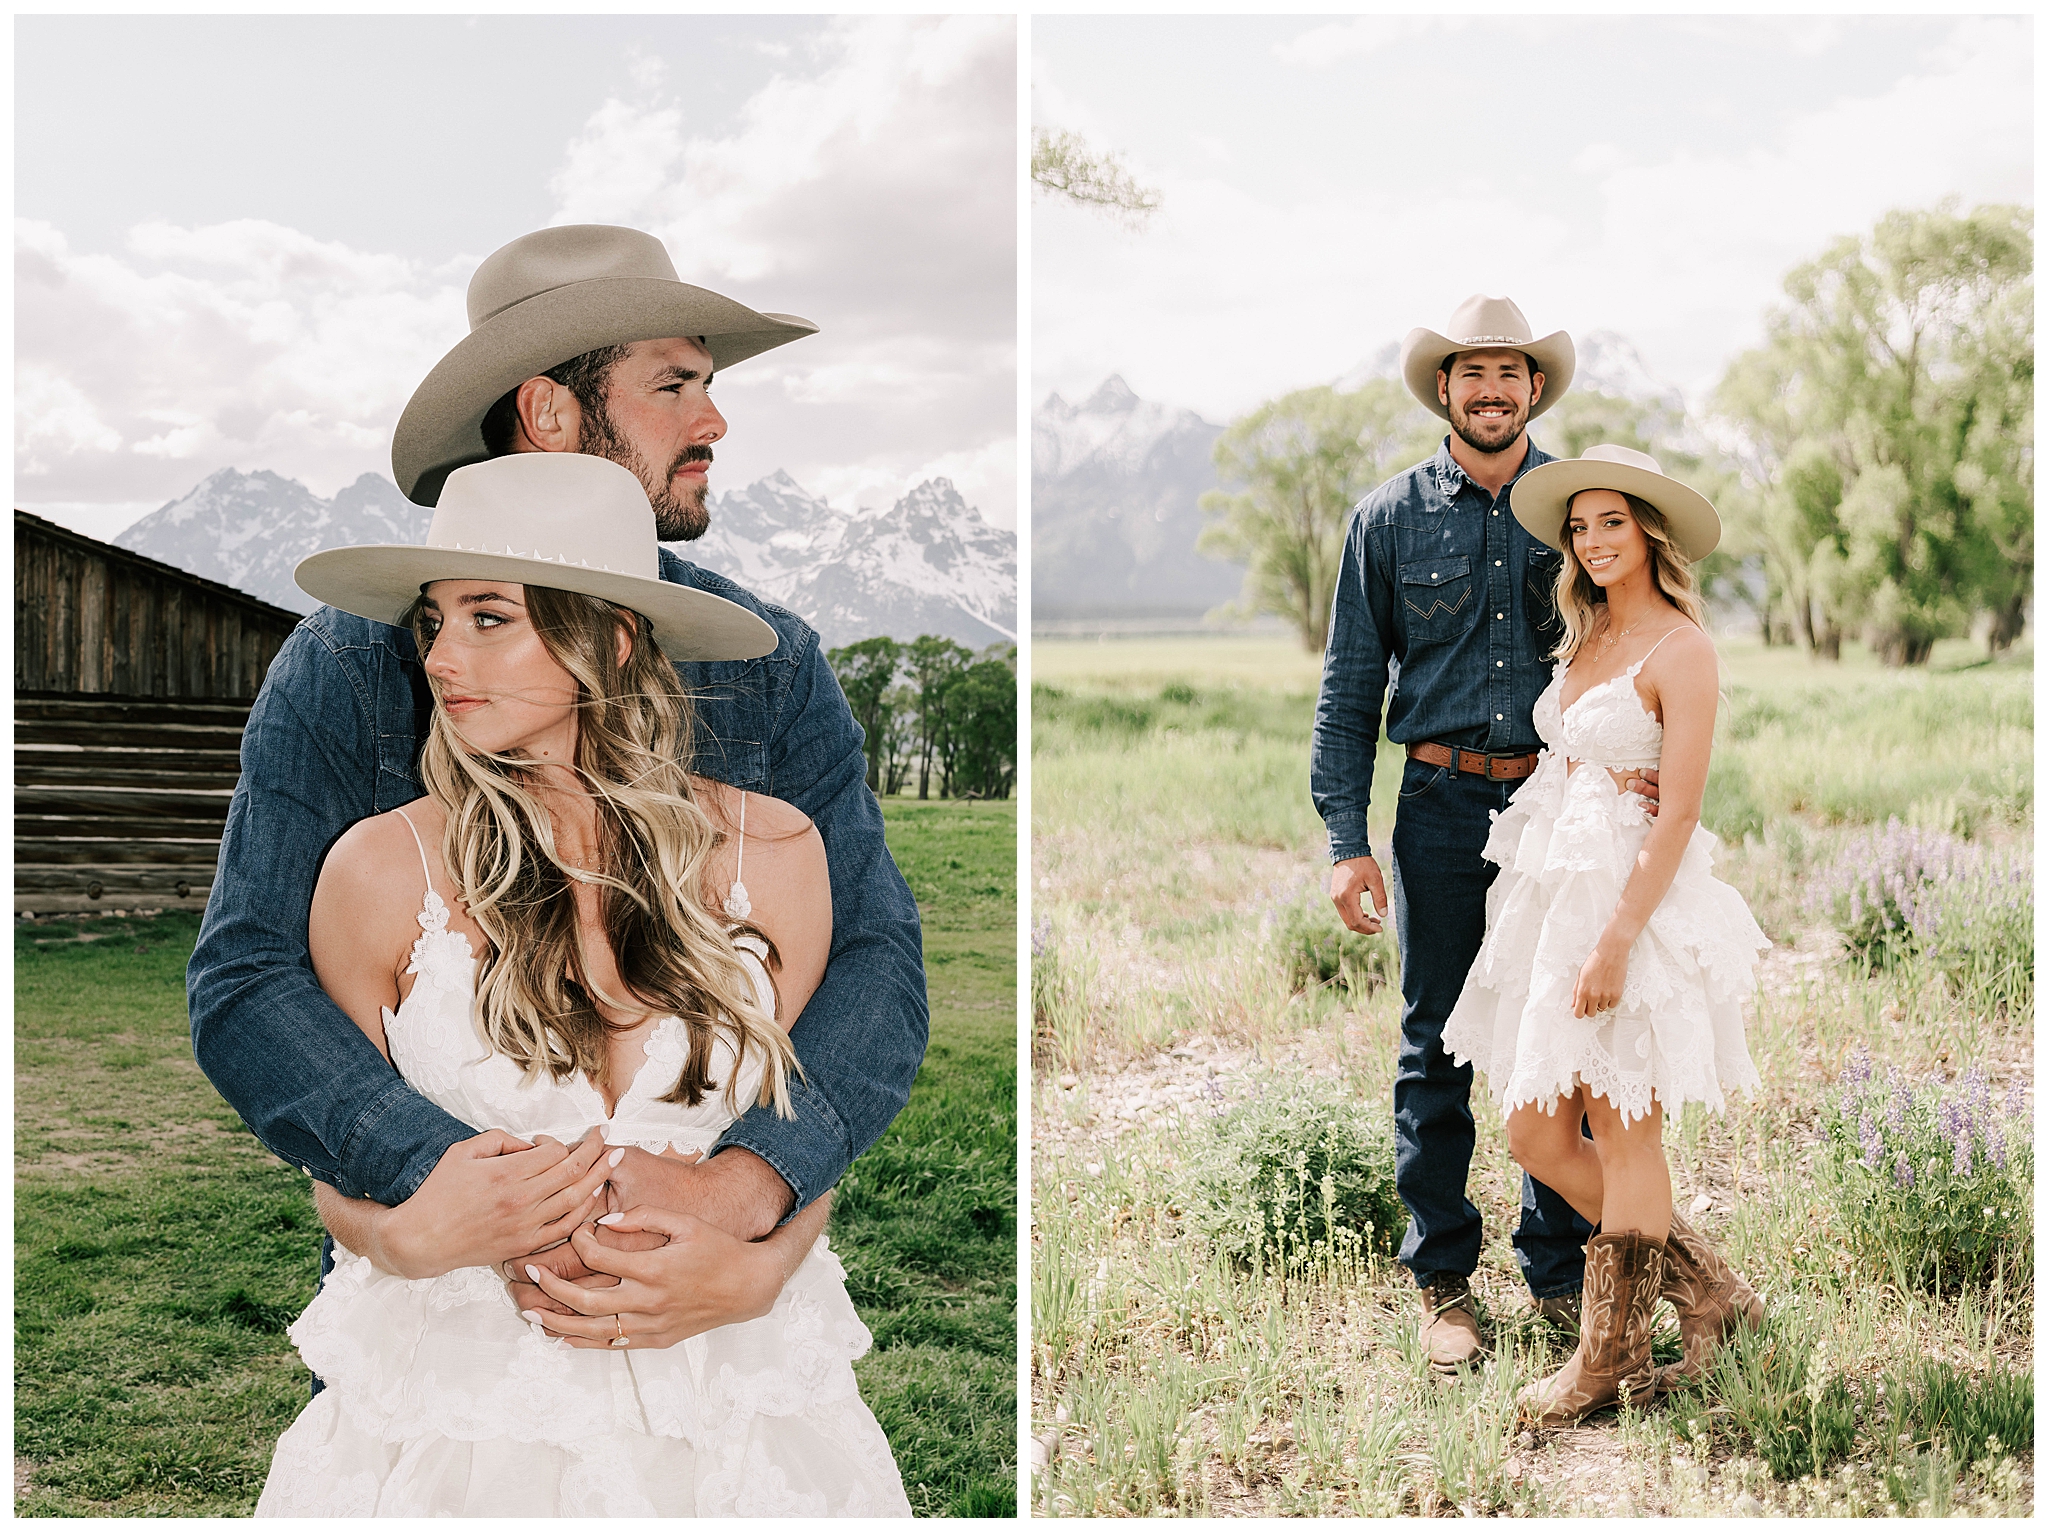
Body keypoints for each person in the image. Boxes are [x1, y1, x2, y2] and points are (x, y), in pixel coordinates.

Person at [187, 226, 928, 1342]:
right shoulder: (346, 664)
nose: (712, 422)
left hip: (713, 1312)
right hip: (449, 1324)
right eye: (673, 385)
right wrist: (448, 1188)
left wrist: (755, 1195)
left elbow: (875, 960)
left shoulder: (770, 663)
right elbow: (248, 979)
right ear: (550, 413)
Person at [255, 451, 912, 1515]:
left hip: (737, 1414)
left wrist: (768, 1261)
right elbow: (336, 1157)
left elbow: (803, 1116)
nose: (439, 657)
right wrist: (390, 1235)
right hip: (457, 1429)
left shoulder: (775, 851)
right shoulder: (378, 872)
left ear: (606, 637)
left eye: (488, 618)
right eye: (435, 620)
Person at [1313, 295, 1623, 1372]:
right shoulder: (1385, 519)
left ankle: (1555, 1271)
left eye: (1510, 373)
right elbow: (1349, 689)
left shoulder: (1577, 511)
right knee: (1435, 1041)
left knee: (1554, 1039)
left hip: (1557, 807)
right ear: (1443, 389)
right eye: (1471, 372)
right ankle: (1442, 1277)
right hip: (1437, 807)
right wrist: (1342, 836)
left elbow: (1635, 641)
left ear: (1533, 389)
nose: (1491, 390)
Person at [1440, 444, 1768, 1424]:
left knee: (1625, 1126)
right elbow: (1581, 756)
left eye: (1609, 523)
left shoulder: (1682, 649)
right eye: (1578, 527)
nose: (1589, 540)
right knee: (1534, 1127)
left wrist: (1618, 936)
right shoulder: (1583, 639)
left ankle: (1605, 1356)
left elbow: (1676, 811)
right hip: (1559, 891)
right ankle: (1707, 1287)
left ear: (1647, 533)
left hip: (1632, 899)